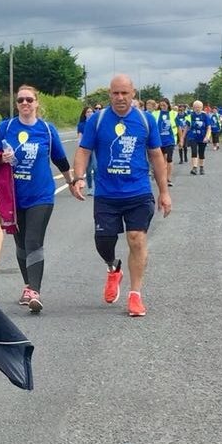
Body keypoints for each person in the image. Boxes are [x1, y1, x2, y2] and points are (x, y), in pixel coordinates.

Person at [70, 74, 172, 318]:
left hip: (138, 191)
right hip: (107, 194)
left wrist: (164, 192)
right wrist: (79, 178)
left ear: (133, 94)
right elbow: (84, 151)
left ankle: (135, 295)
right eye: (115, 93)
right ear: (109, 95)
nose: (120, 98)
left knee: (136, 238)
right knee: (103, 242)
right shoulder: (98, 120)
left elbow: (157, 156)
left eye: (125, 93)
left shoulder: (145, 120)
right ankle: (113, 267)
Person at [0, 85, 75, 313]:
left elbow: (60, 159)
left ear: (37, 103)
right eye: (21, 100)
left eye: (29, 100)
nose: (25, 104)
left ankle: (34, 292)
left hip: (41, 195)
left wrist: (72, 182)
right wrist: (2, 158)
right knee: (20, 245)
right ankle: (28, 286)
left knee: (33, 241)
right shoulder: (5, 127)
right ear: (16, 104)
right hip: (13, 197)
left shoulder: (47, 130)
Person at [76, 104, 99, 194]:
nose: (90, 113)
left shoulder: (96, 122)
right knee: (88, 169)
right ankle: (90, 187)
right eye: (88, 112)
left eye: (91, 111)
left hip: (95, 148)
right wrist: (80, 147)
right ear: (84, 114)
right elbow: (80, 137)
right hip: (85, 148)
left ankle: (97, 187)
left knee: (96, 167)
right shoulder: (81, 125)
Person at [185, 100, 210, 175]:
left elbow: (209, 127)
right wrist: (183, 137)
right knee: (194, 151)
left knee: (201, 153)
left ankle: (201, 167)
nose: (197, 109)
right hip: (193, 136)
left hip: (202, 136)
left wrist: (207, 137)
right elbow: (187, 127)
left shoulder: (205, 116)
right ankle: (194, 167)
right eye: (195, 107)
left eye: (199, 107)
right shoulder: (190, 116)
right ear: (193, 108)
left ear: (202, 107)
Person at [156, 97, 177, 186]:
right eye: (161, 105)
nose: (162, 107)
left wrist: (182, 139)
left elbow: (179, 127)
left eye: (164, 105)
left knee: (169, 159)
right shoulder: (155, 114)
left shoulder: (173, 114)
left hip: (170, 140)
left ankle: (168, 178)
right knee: (161, 160)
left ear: (168, 105)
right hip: (159, 140)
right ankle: (162, 177)